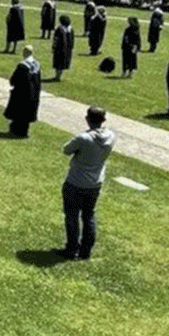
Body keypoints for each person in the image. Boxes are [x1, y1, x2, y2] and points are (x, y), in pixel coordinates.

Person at [60, 105, 115, 260]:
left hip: (76, 181)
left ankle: (71, 249)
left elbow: (66, 150)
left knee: (72, 216)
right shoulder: (110, 136)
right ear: (103, 120)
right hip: (95, 183)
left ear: (87, 119)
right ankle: (86, 251)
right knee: (89, 216)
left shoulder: (84, 138)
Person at [4, 46, 42, 138]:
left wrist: (12, 82)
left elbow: (14, 79)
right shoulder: (36, 65)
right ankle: (24, 132)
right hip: (34, 94)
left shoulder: (23, 65)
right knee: (27, 115)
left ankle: (16, 131)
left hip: (22, 94)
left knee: (18, 114)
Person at [52, 14, 74, 82]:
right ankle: (59, 76)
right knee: (63, 63)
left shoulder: (59, 29)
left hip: (59, 49)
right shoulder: (70, 29)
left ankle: (57, 76)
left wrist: (53, 47)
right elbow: (72, 40)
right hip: (67, 49)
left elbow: (56, 39)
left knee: (58, 63)